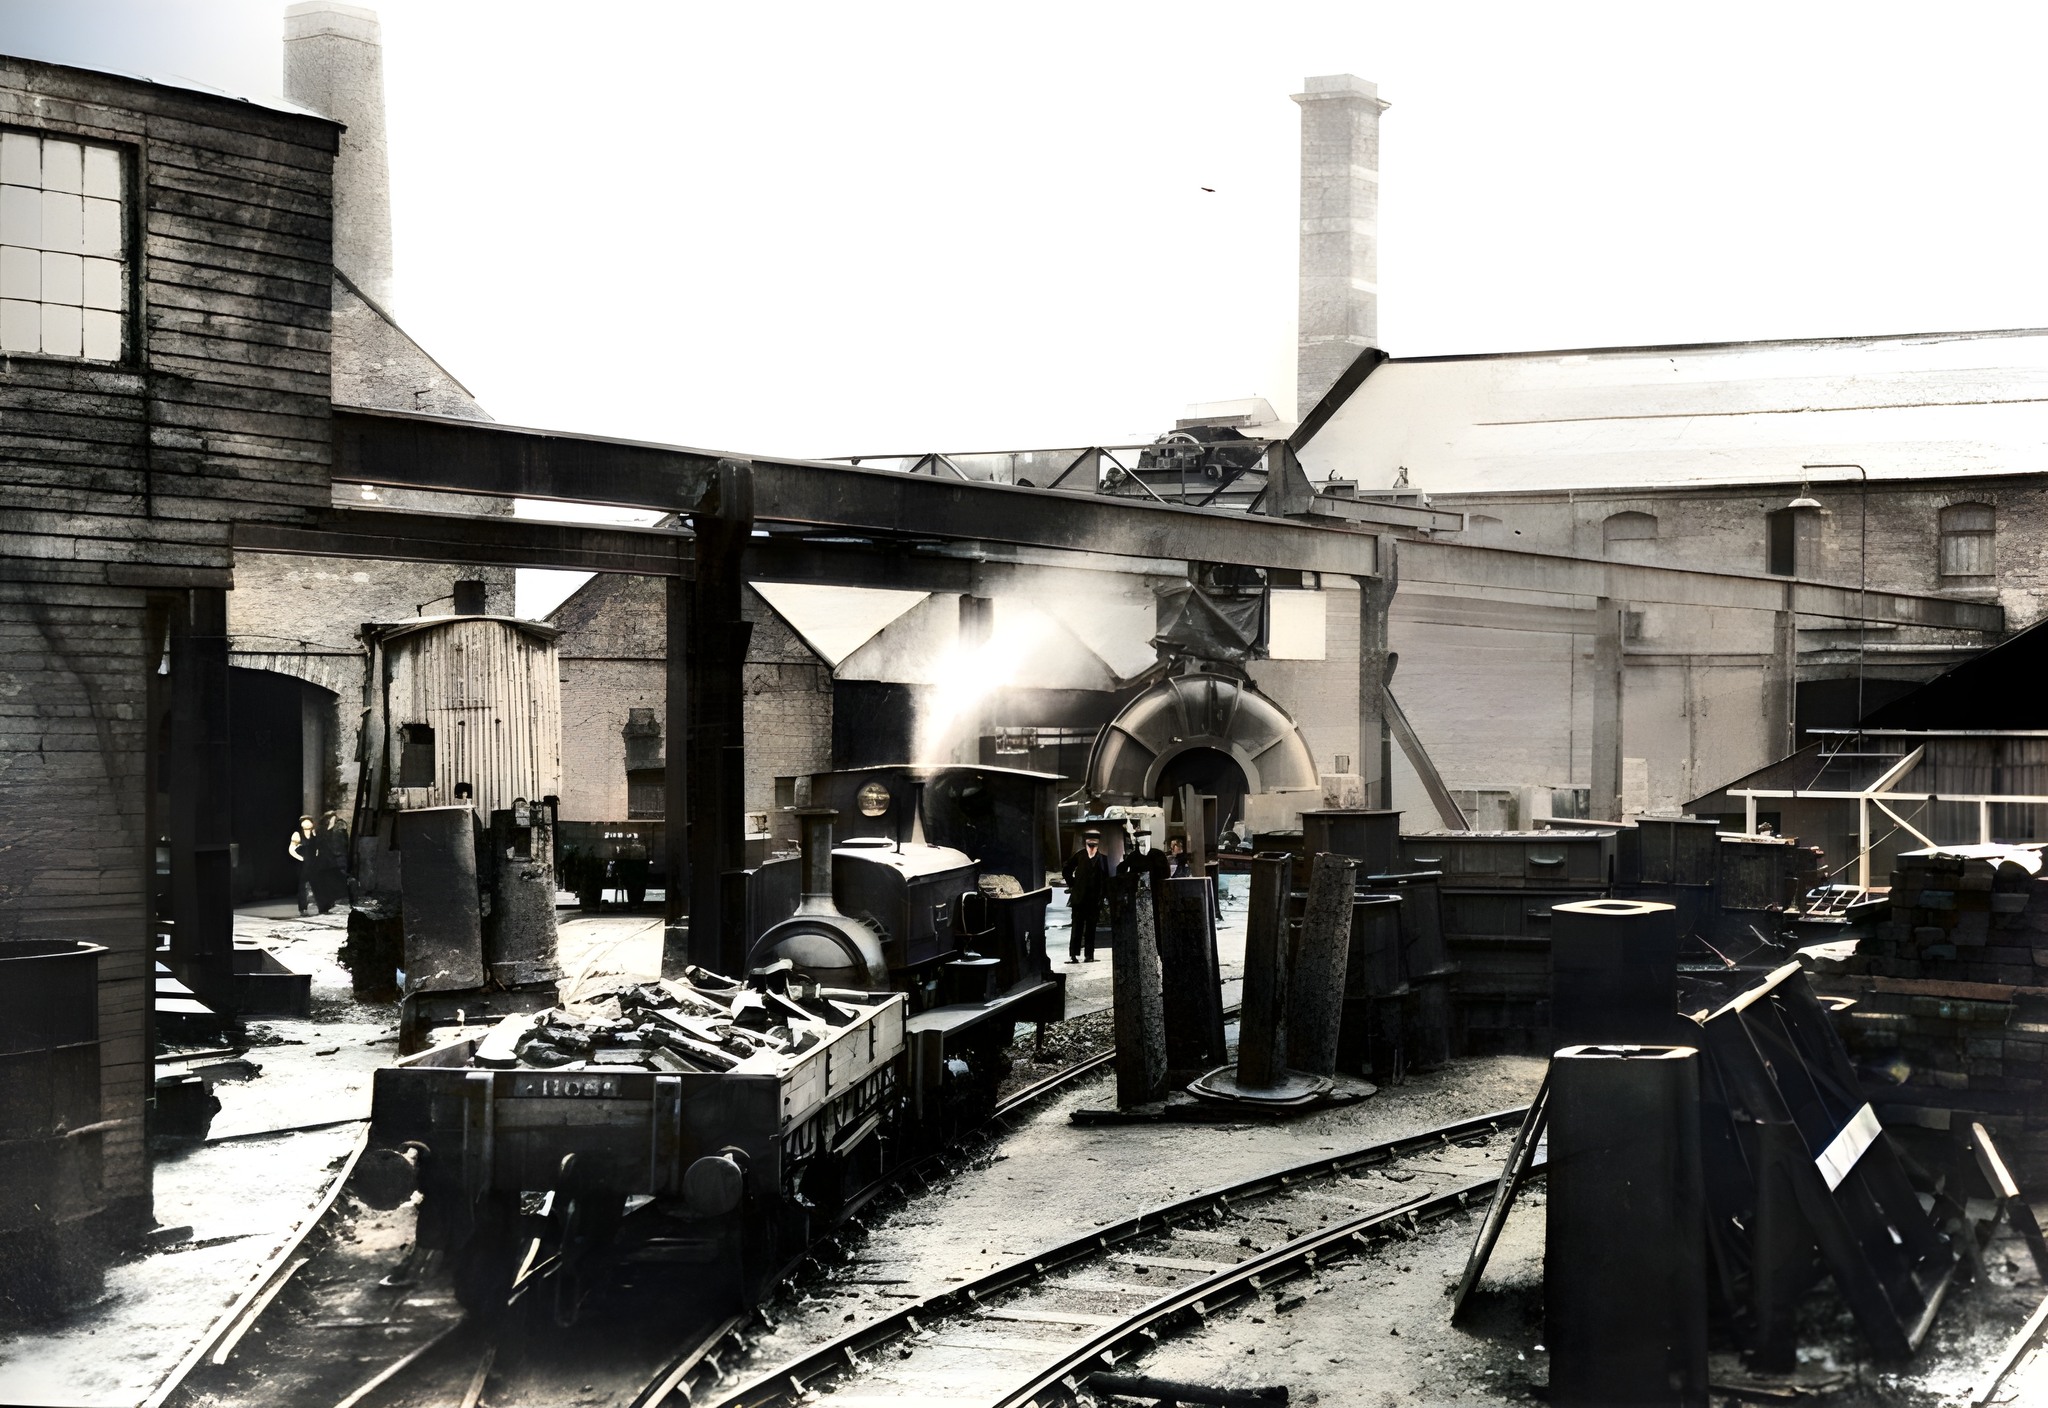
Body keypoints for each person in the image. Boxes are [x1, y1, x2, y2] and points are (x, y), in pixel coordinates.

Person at [1062, 828, 1112, 962]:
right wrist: (1073, 884)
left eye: (1094, 845)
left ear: (1098, 845)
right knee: (1076, 927)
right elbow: (1066, 869)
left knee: (1091, 928)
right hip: (1079, 899)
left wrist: (1104, 896)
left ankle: (1089, 955)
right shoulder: (1079, 856)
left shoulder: (1102, 859)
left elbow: (1106, 879)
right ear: (1085, 843)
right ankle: (1073, 954)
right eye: (1090, 844)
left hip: (1094, 900)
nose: (1092, 847)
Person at [311, 811, 351, 914]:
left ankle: (327, 905)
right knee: (325, 884)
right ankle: (324, 906)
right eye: (332, 818)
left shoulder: (333, 828)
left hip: (329, 861)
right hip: (324, 861)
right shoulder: (321, 830)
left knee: (330, 883)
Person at [287, 815, 320, 916]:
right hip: (302, 864)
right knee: (302, 886)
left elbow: (317, 848)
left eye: (309, 821)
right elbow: (291, 849)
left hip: (313, 863)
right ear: (301, 824)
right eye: (304, 822)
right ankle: (303, 908)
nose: (307, 824)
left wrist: (316, 856)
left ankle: (322, 906)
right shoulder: (297, 835)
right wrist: (301, 858)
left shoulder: (314, 834)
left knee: (318, 884)